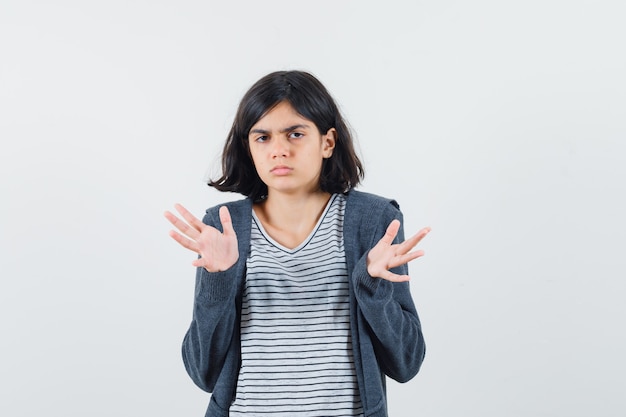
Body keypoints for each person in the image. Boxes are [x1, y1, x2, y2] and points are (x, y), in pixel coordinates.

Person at [164, 70, 430, 417]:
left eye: (295, 134)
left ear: (327, 142)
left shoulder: (373, 220)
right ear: (249, 147)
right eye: (262, 137)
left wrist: (372, 284)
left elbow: (406, 363)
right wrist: (219, 281)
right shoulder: (224, 227)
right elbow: (202, 372)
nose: (279, 150)